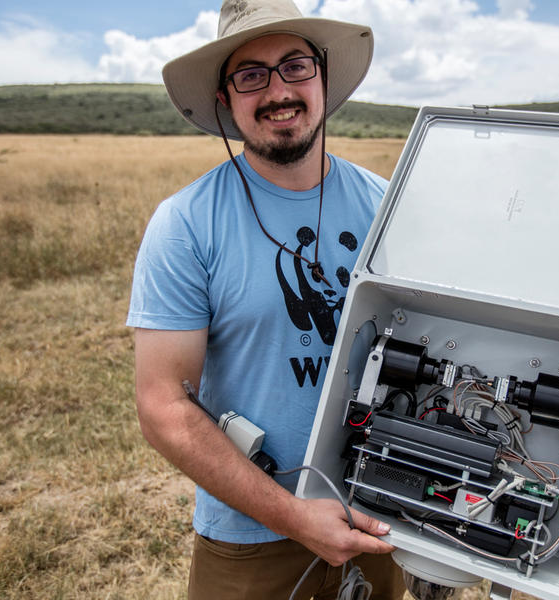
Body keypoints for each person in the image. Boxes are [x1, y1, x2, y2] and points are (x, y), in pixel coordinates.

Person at [126, 1, 405, 598]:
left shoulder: (389, 207)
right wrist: (293, 515)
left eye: (295, 66)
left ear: (323, 79)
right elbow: (162, 406)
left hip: (380, 515)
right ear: (226, 100)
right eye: (251, 74)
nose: (278, 90)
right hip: (251, 541)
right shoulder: (185, 224)